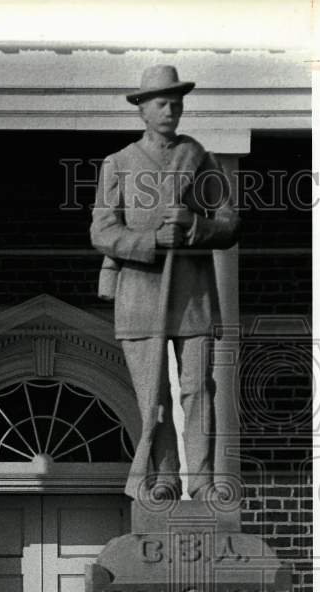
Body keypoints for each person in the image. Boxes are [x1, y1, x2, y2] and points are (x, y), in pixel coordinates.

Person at [90, 64, 240, 501]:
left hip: (192, 294)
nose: (171, 110)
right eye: (161, 102)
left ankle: (204, 479)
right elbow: (102, 230)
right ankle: (165, 476)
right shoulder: (118, 164)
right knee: (153, 397)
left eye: (176, 102)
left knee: (198, 390)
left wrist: (195, 226)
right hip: (139, 297)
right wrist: (151, 241)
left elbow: (229, 223)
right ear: (142, 109)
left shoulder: (200, 158)